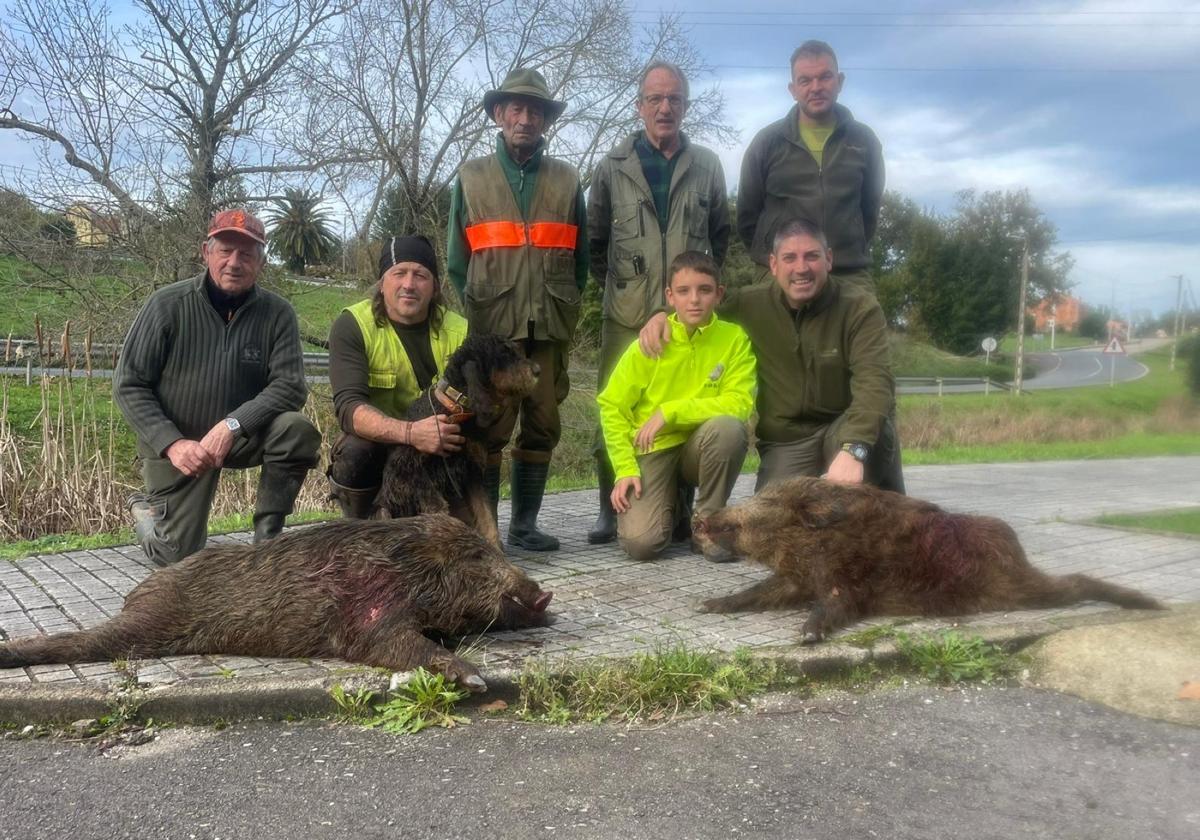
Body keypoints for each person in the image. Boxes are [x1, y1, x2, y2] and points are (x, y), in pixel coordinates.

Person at [114, 209, 321, 566]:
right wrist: (172, 443)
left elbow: (290, 386)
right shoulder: (166, 305)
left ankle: (267, 544)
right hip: (178, 443)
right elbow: (129, 384)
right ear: (205, 252)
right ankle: (145, 512)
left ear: (262, 262)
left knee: (296, 431)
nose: (234, 262)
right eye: (225, 250)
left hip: (240, 436)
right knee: (177, 557)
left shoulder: (278, 313)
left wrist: (232, 425)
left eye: (247, 254)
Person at [640, 219, 903, 493]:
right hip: (787, 441)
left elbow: (875, 382)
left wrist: (854, 449)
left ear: (828, 259)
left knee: (875, 434)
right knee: (773, 522)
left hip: (842, 430)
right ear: (774, 265)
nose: (801, 268)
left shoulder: (860, 307)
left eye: (811, 256)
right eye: (790, 258)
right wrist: (659, 315)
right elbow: (699, 308)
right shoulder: (749, 303)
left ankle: (876, 499)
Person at [586, 60, 731, 545]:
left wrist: (683, 303)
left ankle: (681, 510)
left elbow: (720, 237)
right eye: (655, 99)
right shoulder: (611, 166)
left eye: (674, 99)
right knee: (619, 407)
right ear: (639, 105)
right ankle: (614, 506)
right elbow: (596, 242)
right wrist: (635, 297)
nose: (664, 107)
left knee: (687, 405)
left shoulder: (708, 165)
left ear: (686, 106)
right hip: (627, 315)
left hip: (687, 313)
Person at [446, 67, 588, 551]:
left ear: (546, 120)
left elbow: (581, 258)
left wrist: (563, 304)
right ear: (498, 114)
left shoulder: (569, 181)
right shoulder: (471, 177)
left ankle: (525, 525)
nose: (525, 118)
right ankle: (485, 531)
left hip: (549, 323)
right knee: (489, 426)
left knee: (544, 423)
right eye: (516, 108)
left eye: (535, 110)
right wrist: (485, 310)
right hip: (495, 330)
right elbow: (456, 262)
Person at [598, 251, 755, 562]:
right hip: (652, 449)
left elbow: (740, 403)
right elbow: (611, 405)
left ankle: (707, 526)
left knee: (729, 429)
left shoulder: (734, 339)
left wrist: (671, 412)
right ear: (670, 296)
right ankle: (675, 502)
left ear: (719, 294)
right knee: (642, 545)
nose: (694, 300)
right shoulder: (650, 342)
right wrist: (625, 469)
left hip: (701, 444)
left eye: (705, 290)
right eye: (683, 291)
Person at [326, 235, 468, 518]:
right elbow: (348, 409)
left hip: (440, 452)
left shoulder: (461, 331)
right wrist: (411, 434)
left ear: (435, 286)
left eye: (421, 275)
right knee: (355, 450)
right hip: (379, 450)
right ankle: (361, 527)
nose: (409, 285)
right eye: (399, 273)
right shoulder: (353, 325)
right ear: (382, 282)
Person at [738, 40, 884, 293]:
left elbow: (869, 210)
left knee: (870, 328)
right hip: (778, 274)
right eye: (805, 80)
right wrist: (780, 258)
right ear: (792, 89)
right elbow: (747, 215)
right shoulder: (767, 142)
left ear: (840, 81)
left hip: (848, 271)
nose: (816, 87)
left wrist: (843, 248)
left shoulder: (864, 141)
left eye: (825, 77)